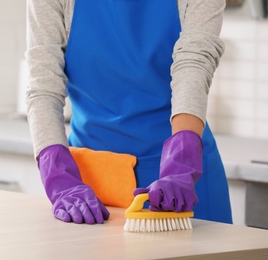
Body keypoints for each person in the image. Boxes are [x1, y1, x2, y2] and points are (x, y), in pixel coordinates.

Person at [25, 0, 233, 225]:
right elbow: (43, 86)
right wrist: (57, 174)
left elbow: (194, 62)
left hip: (182, 176)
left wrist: (183, 158)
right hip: (90, 185)